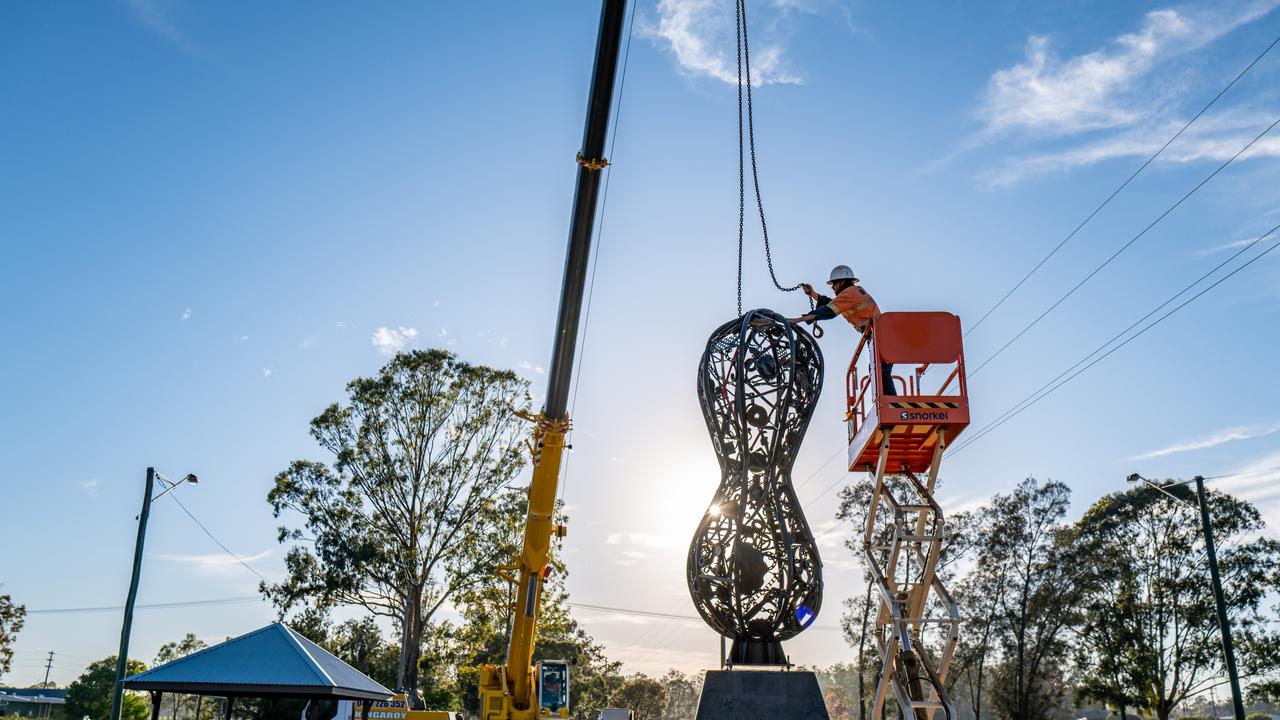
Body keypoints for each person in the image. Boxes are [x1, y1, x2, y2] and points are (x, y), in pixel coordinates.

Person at [788, 264, 896, 396]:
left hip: (879, 335)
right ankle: (887, 402)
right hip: (880, 335)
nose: (832, 287)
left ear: (842, 281)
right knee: (879, 370)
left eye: (834, 284)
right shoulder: (853, 292)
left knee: (880, 370)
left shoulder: (850, 293)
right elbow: (832, 303)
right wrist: (813, 294)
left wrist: (798, 320)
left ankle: (889, 404)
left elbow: (828, 310)